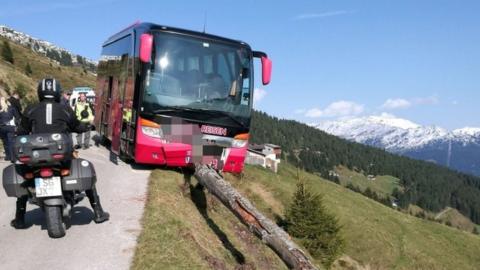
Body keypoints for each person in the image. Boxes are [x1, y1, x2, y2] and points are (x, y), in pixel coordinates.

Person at [10, 78, 109, 229]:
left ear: (39, 92)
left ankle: (19, 218)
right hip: (61, 155)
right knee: (83, 170)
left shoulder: (31, 108)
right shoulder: (64, 108)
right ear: (56, 92)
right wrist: (86, 126)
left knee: (24, 177)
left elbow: (22, 131)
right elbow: (77, 126)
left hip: (35, 158)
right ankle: (98, 212)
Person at [0, 96, 18, 161]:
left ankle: (8, 156)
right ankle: (13, 157)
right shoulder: (12, 108)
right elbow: (17, 117)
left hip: (1, 127)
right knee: (11, 142)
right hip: (10, 127)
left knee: (5, 142)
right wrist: (17, 126)